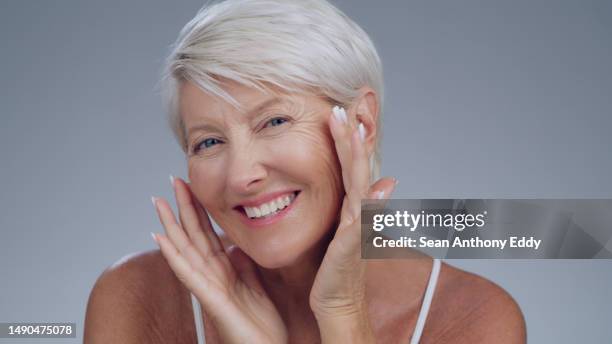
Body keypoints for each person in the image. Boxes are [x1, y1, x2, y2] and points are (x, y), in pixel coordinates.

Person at [84, 0, 526, 342]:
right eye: (209, 142)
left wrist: (344, 315)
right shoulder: (135, 299)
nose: (241, 176)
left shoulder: (471, 316)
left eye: (274, 121)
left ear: (361, 124)